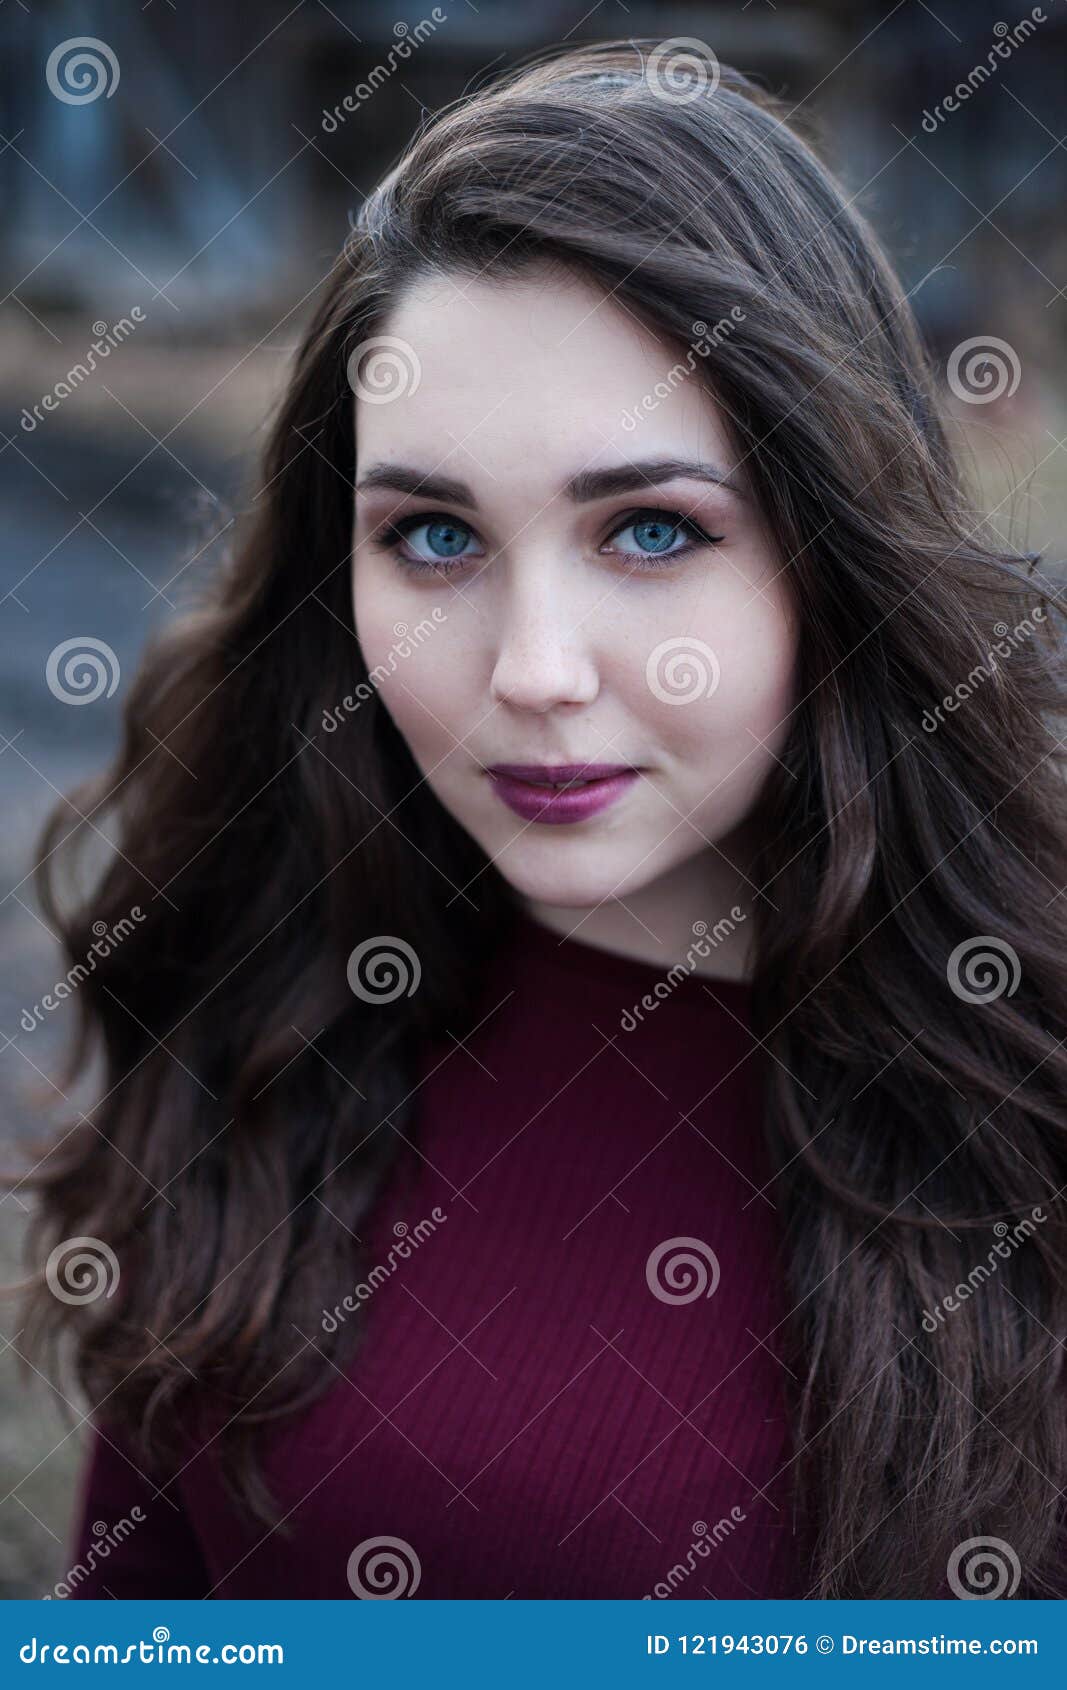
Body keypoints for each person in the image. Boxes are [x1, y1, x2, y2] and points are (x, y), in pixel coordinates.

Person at [11, 38, 1067, 1601]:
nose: (532, 672)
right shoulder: (272, 984)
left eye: (650, 529)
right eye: (433, 535)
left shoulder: (1023, 1084)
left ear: (833, 548)